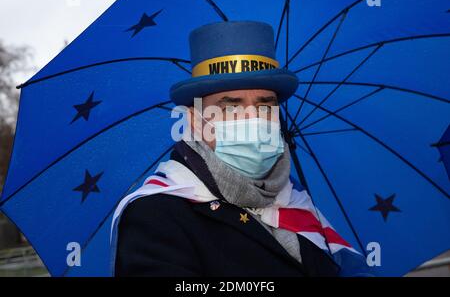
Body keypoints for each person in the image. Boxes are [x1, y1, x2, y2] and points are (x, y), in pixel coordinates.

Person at [111, 21, 373, 276]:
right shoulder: (156, 214)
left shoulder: (297, 200)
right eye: (231, 106)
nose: (253, 120)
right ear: (194, 120)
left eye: (265, 105)